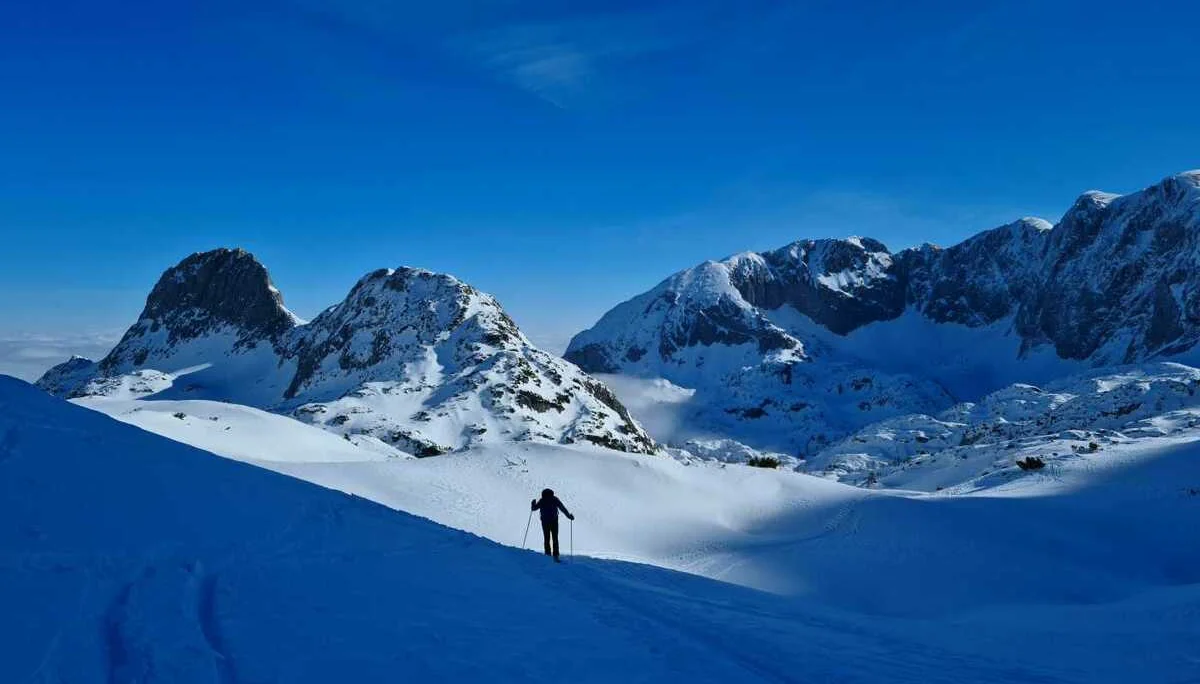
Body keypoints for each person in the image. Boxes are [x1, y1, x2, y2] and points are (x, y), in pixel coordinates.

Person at [531, 488, 574, 561]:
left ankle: (547, 555)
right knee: (555, 538)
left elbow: (534, 509)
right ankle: (556, 556)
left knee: (546, 538)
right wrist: (569, 516)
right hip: (554, 521)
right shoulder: (555, 499)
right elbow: (562, 508)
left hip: (545, 521)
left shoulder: (542, 500)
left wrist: (533, 503)